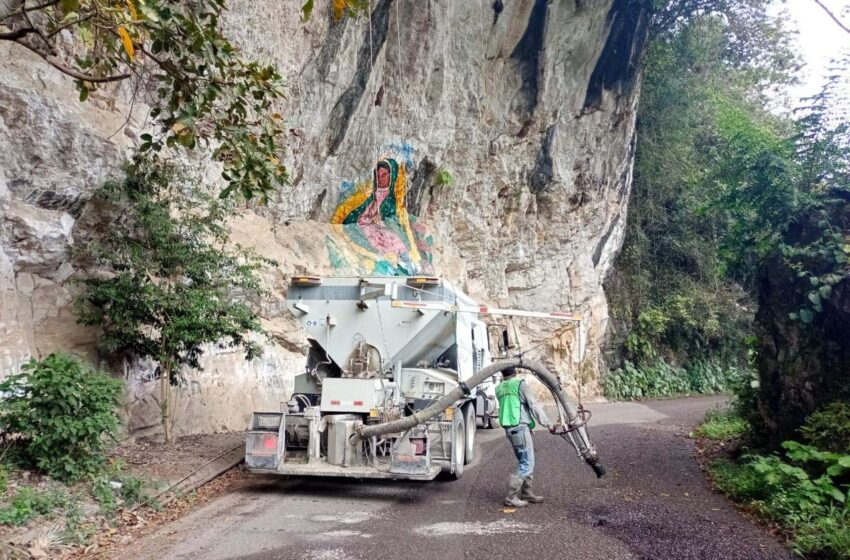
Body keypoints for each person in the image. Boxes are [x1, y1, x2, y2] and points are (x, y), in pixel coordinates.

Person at [495, 366, 553, 507]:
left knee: (525, 460)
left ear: (502, 373)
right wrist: (548, 424)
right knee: (527, 463)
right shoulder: (520, 385)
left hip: (511, 429)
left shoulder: (499, 388)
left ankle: (526, 492)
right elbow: (532, 405)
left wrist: (529, 426)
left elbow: (516, 407)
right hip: (519, 428)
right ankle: (511, 497)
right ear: (515, 371)